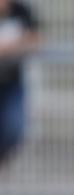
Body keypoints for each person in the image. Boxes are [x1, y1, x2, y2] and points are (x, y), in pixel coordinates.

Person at [0, 0, 40, 168]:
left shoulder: (21, 11)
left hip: (11, 82)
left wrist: (11, 47)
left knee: (14, 128)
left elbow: (37, 39)